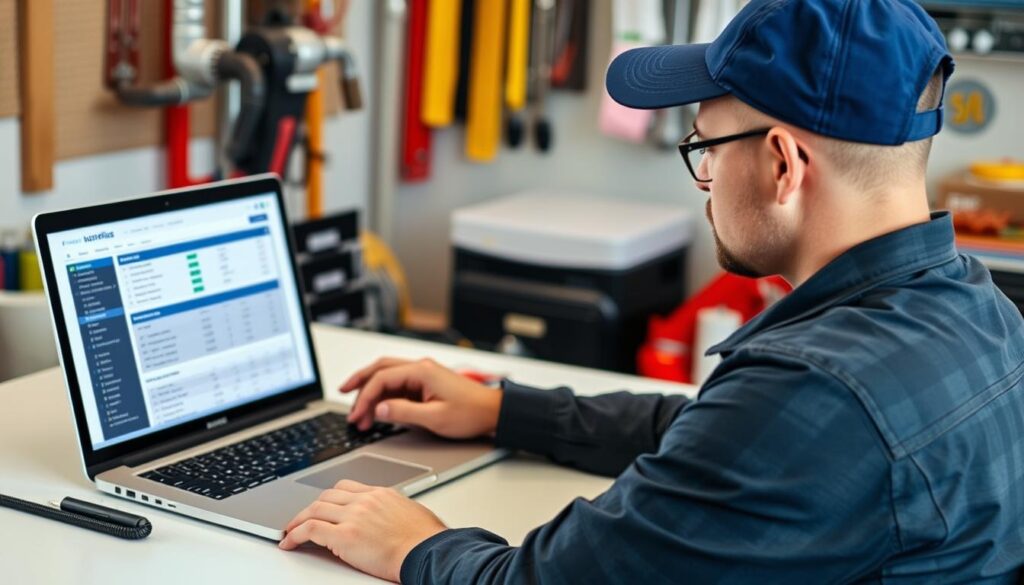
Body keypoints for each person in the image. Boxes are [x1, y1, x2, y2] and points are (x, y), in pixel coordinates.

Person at [278, 0, 1024, 582]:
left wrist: (418, 545)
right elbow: (720, 438)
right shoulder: (978, 309)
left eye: (704, 147)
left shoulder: (817, 388)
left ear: (782, 165)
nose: (703, 182)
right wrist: (506, 409)